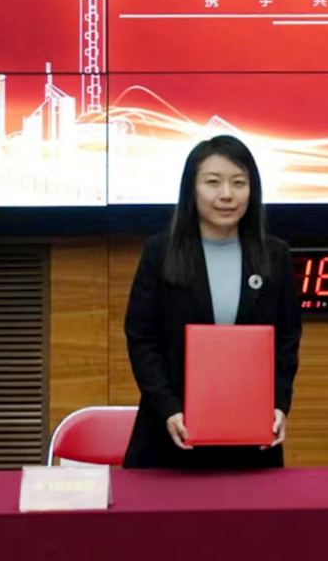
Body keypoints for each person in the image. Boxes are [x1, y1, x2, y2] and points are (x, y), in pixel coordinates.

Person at [123, 135, 301, 469]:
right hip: (171, 434)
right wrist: (168, 408)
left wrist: (279, 404)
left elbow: (287, 340)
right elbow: (142, 338)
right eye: (213, 182)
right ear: (192, 189)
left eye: (239, 183)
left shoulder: (274, 255)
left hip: (251, 437)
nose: (227, 195)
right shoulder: (160, 253)